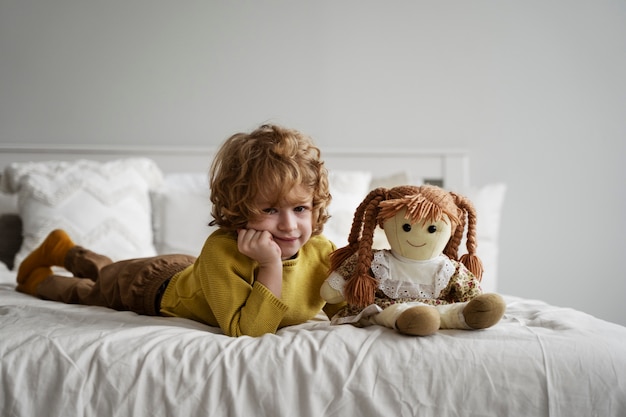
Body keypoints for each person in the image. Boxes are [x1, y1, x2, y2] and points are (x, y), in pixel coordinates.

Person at [16, 124, 344, 337]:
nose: (289, 225)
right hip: (153, 287)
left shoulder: (320, 251)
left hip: (191, 272)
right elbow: (250, 330)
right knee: (93, 289)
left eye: (300, 208)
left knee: (106, 271)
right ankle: (43, 272)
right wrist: (270, 265)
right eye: (270, 210)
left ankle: (65, 248)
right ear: (240, 208)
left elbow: (339, 305)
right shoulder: (223, 251)